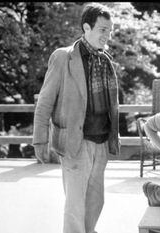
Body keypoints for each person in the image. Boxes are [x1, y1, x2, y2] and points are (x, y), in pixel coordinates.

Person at [33, 3, 119, 233]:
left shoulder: (105, 60)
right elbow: (44, 102)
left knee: (96, 200)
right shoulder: (63, 57)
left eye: (110, 30)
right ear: (86, 27)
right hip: (74, 141)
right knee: (74, 205)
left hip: (101, 142)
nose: (107, 35)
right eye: (103, 30)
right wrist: (39, 141)